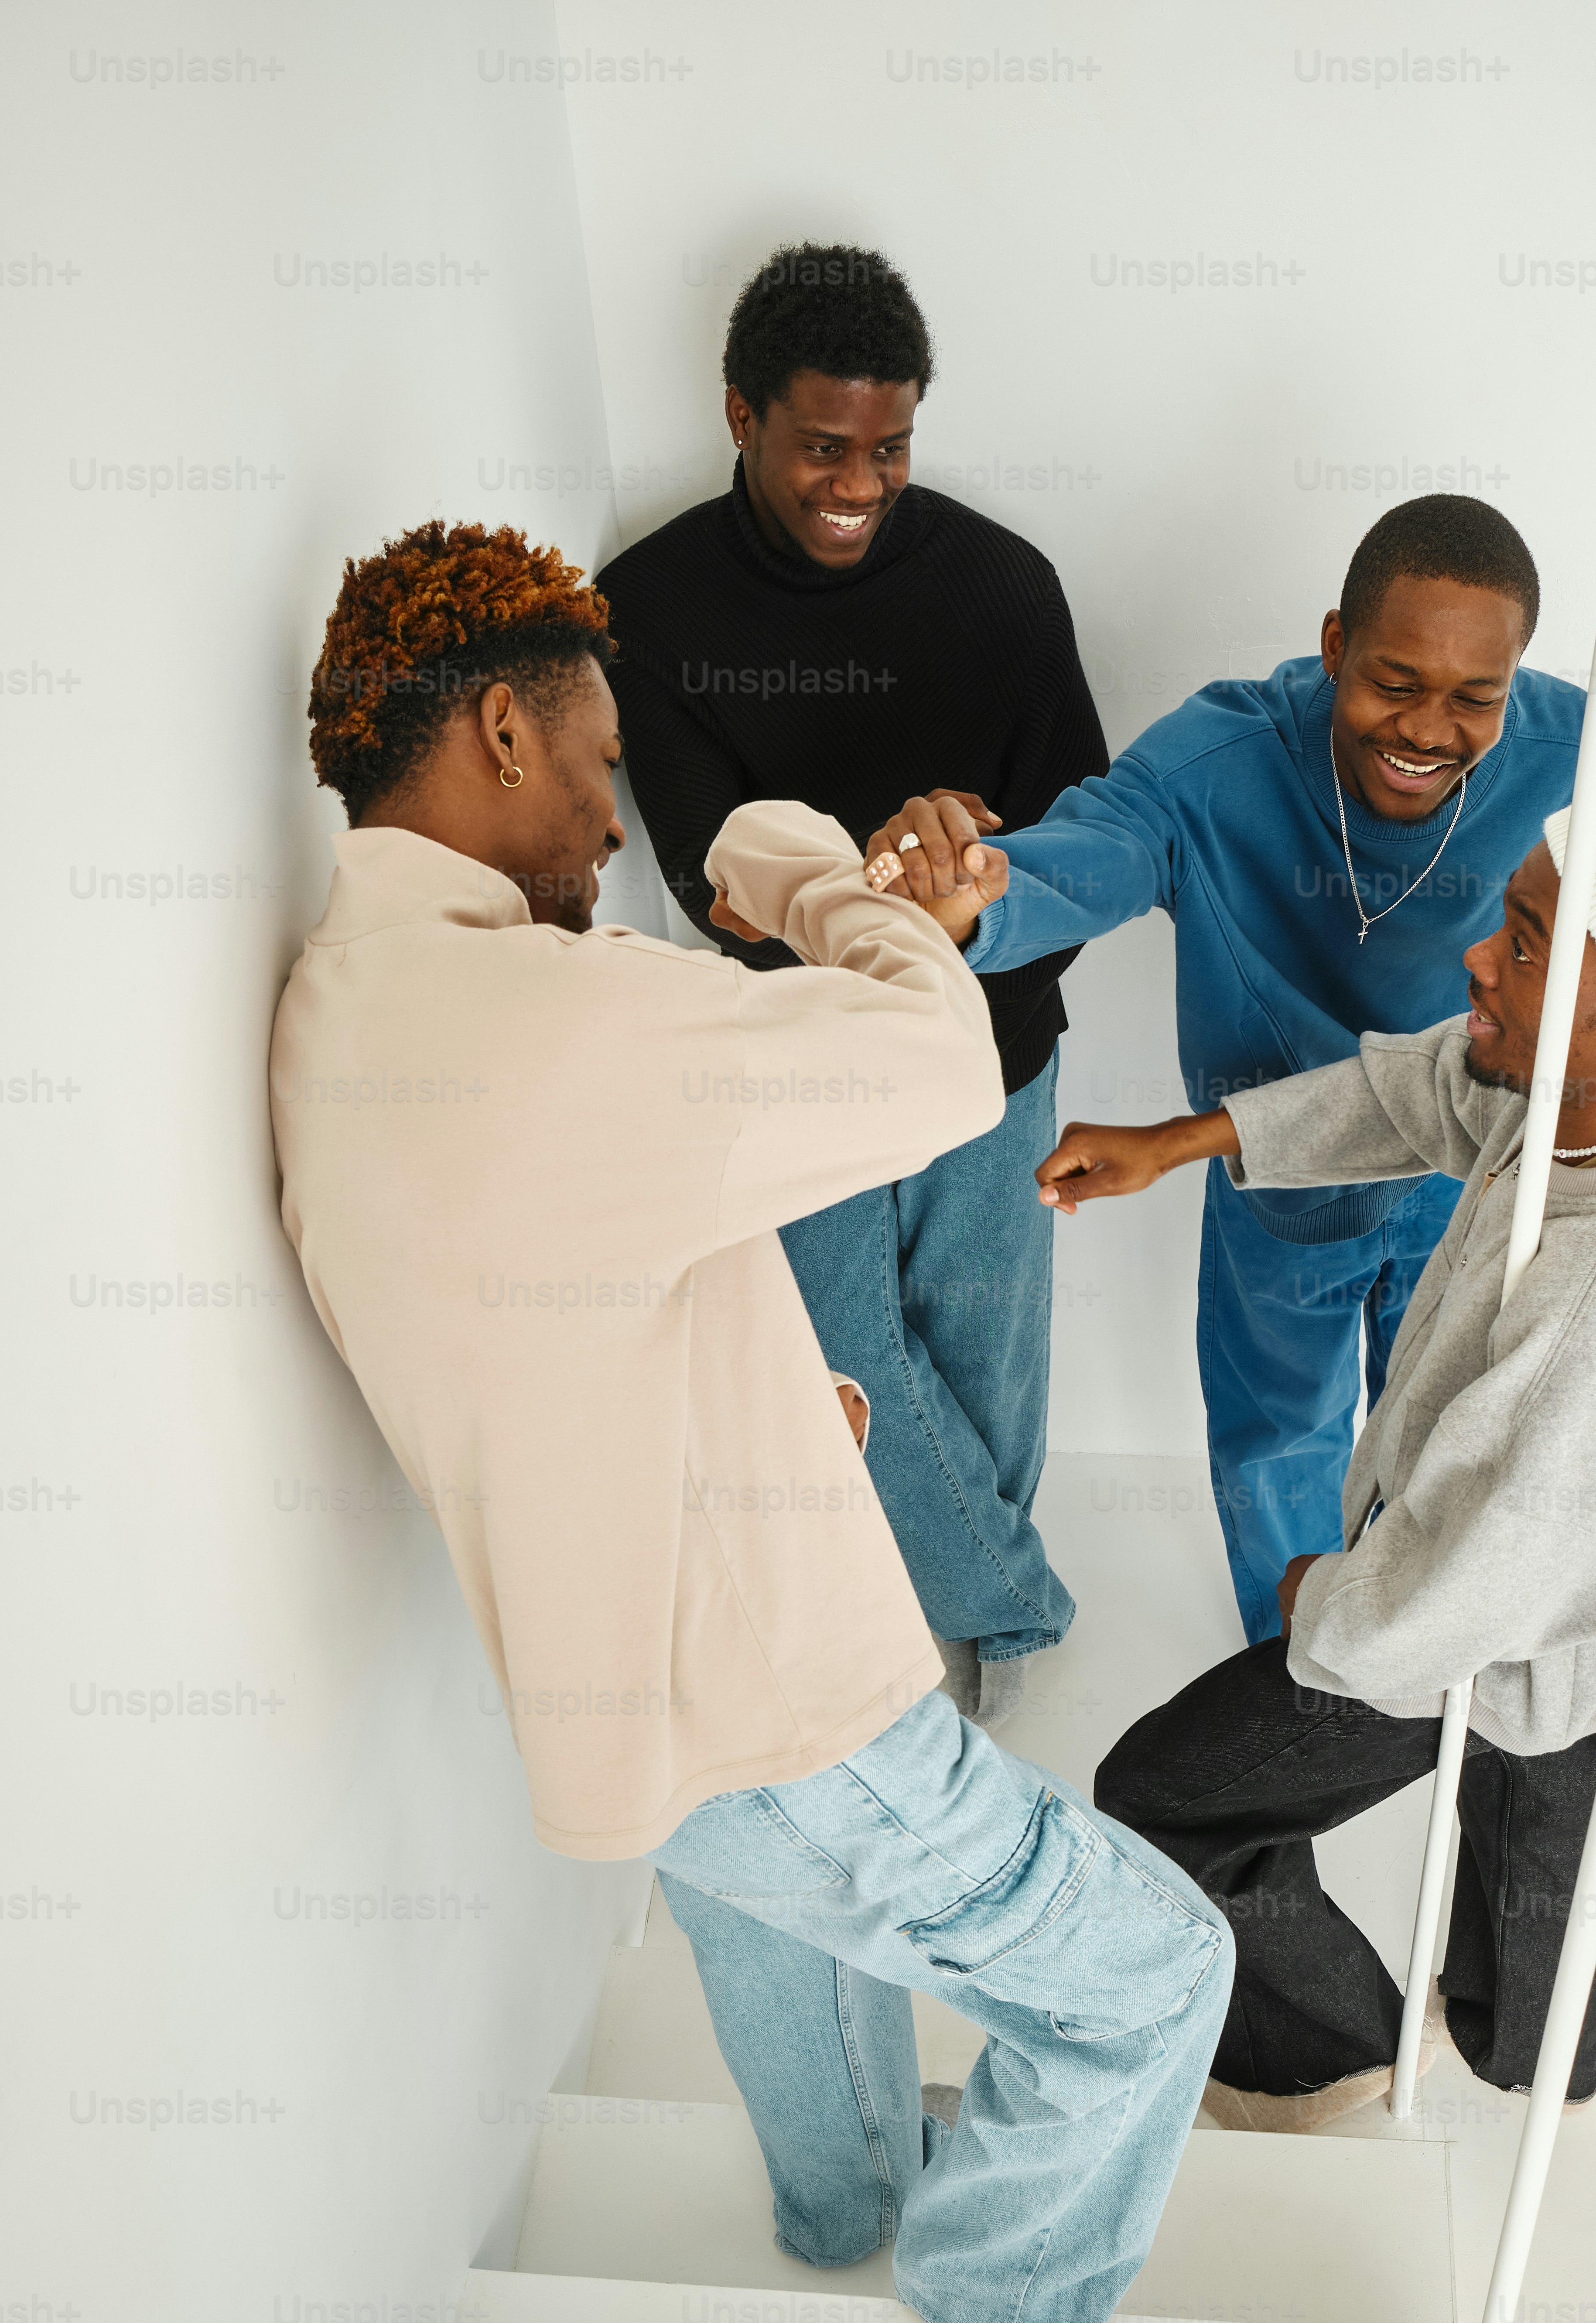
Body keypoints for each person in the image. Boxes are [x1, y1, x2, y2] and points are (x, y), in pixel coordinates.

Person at [271, 519, 1232, 2323]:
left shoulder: (337, 1008)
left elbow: (551, 1303)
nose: (615, 821)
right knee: (1151, 1978)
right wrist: (790, 854)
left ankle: (846, 2214)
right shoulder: (559, 1016)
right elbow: (932, 1062)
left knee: (780, 1944)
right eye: (607, 763)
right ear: (501, 736)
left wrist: (775, 1415)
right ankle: (1007, 2302)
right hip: (787, 1697)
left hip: (612, 1707)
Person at [1031, 782, 1596, 2125]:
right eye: (1510, 921)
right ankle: (1525, 2050)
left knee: (1165, 1797)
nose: (1478, 962)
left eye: (1529, 943)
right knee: (1544, 1811)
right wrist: (1187, 1142)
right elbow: (1443, 1082)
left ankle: (1322, 2055)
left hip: (1545, 1591)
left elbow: (1448, 1603)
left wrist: (1318, 1599)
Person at [868, 495, 1596, 1642]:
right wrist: (973, 892)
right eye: (1394, 681)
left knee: (1462, 1443)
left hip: (1475, 1179)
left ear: (1517, 679)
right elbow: (1094, 851)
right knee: (1281, 1447)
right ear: (1335, 646)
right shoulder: (1218, 759)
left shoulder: (1580, 759)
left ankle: (1426, 1661)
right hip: (1278, 1179)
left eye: (1477, 696)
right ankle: (1292, 1690)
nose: (1428, 728)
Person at [596, 242, 1109, 1725]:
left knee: (982, 1342)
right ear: (742, 413)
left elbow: (1082, 851)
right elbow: (710, 877)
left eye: (889, 448)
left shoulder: (1007, 589)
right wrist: (888, 882)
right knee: (838, 1354)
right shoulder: (650, 607)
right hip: (795, 1053)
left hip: (996, 1046)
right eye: (824, 446)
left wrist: (972, 899)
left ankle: (984, 1643)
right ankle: (1003, 1594)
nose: (859, 483)